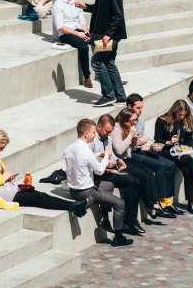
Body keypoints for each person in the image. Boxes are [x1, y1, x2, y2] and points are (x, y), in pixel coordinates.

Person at [0, 130, 88, 217]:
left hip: (7, 188)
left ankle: (74, 205)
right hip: (0, 193)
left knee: (39, 194)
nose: (2, 151)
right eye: (1, 148)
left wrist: (6, 178)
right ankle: (72, 206)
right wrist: (3, 178)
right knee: (36, 198)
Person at [65, 119, 133, 247]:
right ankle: (118, 237)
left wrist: (102, 155)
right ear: (86, 134)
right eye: (93, 133)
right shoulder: (86, 151)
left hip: (73, 190)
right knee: (120, 204)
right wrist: (106, 155)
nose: (95, 135)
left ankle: (105, 218)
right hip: (86, 192)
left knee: (109, 185)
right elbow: (100, 171)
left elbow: (87, 159)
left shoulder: (69, 148)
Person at [75, 0, 126, 107]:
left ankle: (108, 95)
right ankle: (120, 96)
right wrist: (85, 6)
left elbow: (118, 16)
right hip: (107, 35)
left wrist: (108, 34)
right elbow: (99, 10)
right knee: (109, 63)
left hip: (110, 36)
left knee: (97, 62)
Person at [154, 100, 193, 214]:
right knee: (189, 160)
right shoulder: (162, 120)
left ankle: (191, 202)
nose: (182, 117)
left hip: (181, 151)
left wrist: (186, 149)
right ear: (174, 112)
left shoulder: (187, 120)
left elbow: (191, 139)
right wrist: (169, 141)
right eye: (179, 114)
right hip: (167, 151)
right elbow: (157, 139)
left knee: (187, 169)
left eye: (184, 115)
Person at [125, 94, 181, 217]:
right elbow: (126, 147)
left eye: (142, 107)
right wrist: (138, 143)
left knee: (170, 165)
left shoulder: (141, 121)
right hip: (130, 154)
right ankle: (160, 203)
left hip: (139, 150)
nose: (141, 110)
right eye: (138, 108)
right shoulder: (125, 121)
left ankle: (168, 201)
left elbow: (140, 146)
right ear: (129, 106)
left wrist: (151, 148)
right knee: (160, 166)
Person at [108, 109, 163, 226]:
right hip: (119, 162)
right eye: (132, 121)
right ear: (125, 120)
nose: (135, 123)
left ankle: (155, 203)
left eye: (135, 120)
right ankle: (149, 205)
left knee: (148, 170)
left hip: (128, 158)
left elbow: (129, 148)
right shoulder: (116, 130)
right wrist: (130, 136)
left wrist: (134, 140)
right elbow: (118, 150)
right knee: (141, 176)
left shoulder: (127, 128)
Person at [52, 0, 93, 88]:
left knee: (99, 41)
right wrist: (78, 34)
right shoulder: (58, 5)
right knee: (83, 47)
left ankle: (109, 74)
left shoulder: (77, 3)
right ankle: (87, 77)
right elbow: (60, 27)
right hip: (67, 34)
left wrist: (86, 33)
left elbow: (82, 22)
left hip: (79, 31)